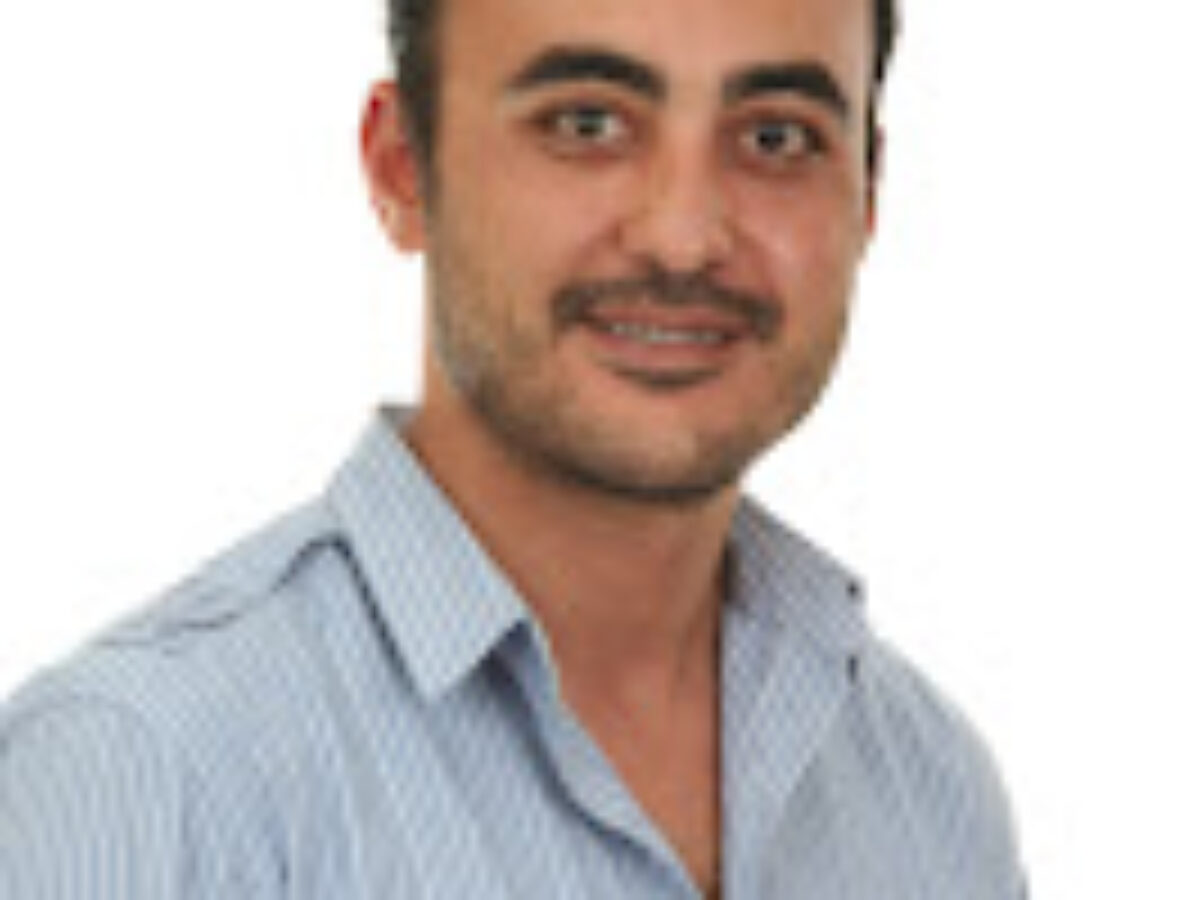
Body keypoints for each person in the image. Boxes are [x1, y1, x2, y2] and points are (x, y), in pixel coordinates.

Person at [0, 0, 1026, 896]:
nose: (683, 237)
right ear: (403, 168)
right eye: (587, 123)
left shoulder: (928, 789)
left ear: (867, 193)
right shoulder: (146, 772)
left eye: (776, 138)